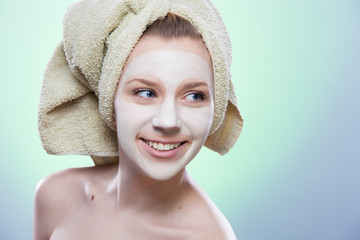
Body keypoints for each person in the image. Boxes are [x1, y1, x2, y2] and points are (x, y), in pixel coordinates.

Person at [34, 1, 243, 239]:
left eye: (194, 96)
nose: (168, 121)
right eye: (146, 93)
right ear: (109, 99)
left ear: (216, 108)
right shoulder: (55, 196)